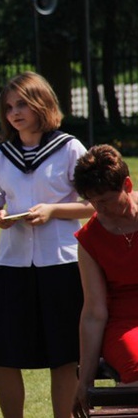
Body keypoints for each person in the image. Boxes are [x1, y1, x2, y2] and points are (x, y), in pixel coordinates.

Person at [0, 71, 92, 418]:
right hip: (13, 265)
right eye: (9, 106)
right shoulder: (2, 154)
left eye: (23, 105)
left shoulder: (69, 148)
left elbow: (92, 204)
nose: (14, 113)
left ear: (41, 105)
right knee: (4, 353)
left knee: (64, 355)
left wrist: (53, 210)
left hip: (60, 264)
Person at [72, 144, 138, 417]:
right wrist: (84, 380)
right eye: (92, 201)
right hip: (122, 324)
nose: (100, 208)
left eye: (108, 199)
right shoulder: (89, 239)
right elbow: (94, 312)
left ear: (127, 184)